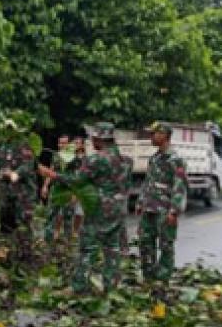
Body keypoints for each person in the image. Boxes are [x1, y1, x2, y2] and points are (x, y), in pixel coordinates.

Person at [38, 123, 127, 293]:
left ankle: (79, 286)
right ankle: (111, 286)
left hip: (98, 208)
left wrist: (52, 175)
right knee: (112, 248)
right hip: (117, 208)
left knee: (88, 247)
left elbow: (77, 180)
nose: (91, 141)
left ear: (100, 138)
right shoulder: (123, 160)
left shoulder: (97, 159)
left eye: (93, 137)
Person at [136, 122, 187, 282]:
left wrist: (174, 211)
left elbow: (180, 186)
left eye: (154, 134)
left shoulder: (176, 160)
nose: (151, 137)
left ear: (164, 135)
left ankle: (163, 280)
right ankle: (149, 278)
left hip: (165, 210)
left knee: (165, 245)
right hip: (149, 208)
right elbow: (148, 182)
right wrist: (140, 202)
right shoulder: (154, 158)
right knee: (145, 243)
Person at [0, 140, 38, 262]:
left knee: (23, 225)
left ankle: (25, 257)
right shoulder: (4, 146)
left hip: (23, 196)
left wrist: (12, 173)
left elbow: (26, 167)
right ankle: (6, 255)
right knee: (5, 225)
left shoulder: (25, 145)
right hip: (7, 194)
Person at [42, 135, 73, 247]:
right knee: (50, 215)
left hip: (68, 190)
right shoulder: (56, 156)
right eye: (60, 143)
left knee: (68, 218)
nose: (61, 145)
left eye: (64, 143)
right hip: (56, 190)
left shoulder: (73, 158)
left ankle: (68, 243)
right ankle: (47, 241)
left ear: (69, 144)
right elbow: (51, 171)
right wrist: (45, 186)